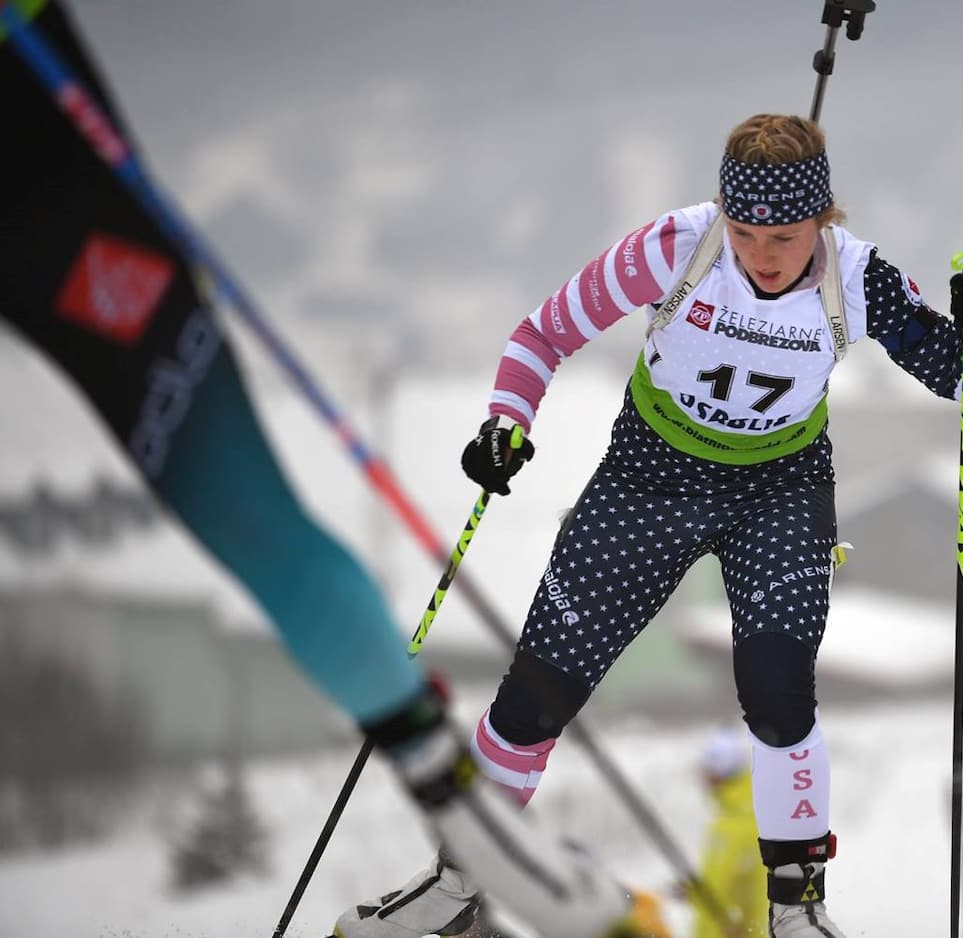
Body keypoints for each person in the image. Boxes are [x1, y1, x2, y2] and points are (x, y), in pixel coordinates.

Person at [0, 4, 661, 937]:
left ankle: (474, 848)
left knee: (239, 500)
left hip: (39, 162)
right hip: (42, 155)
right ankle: (478, 840)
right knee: (244, 505)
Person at [345, 112, 963, 938]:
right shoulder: (673, 248)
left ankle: (798, 911)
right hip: (650, 477)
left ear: (824, 219)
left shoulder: (859, 276)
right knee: (536, 691)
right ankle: (458, 887)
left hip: (779, 485)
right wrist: (504, 424)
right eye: (745, 231)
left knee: (777, 690)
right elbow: (542, 333)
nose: (761, 255)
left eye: (785, 235)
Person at [686, 728, 767, 938]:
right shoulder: (748, 813)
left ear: (720, 772)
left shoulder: (736, 825)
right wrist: (695, 893)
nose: (701, 777)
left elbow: (728, 892)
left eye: (706, 770)